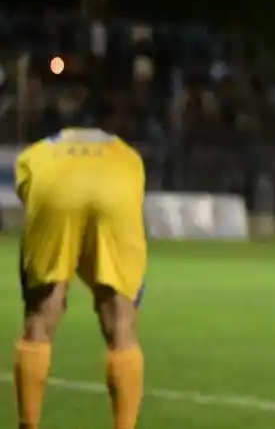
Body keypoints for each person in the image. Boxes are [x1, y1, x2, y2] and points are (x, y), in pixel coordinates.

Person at [13, 127, 147, 429]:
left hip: (54, 182)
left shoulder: (33, 154)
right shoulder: (130, 154)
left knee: (41, 315)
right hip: (117, 181)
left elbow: (31, 204)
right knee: (121, 322)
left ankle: (28, 424)